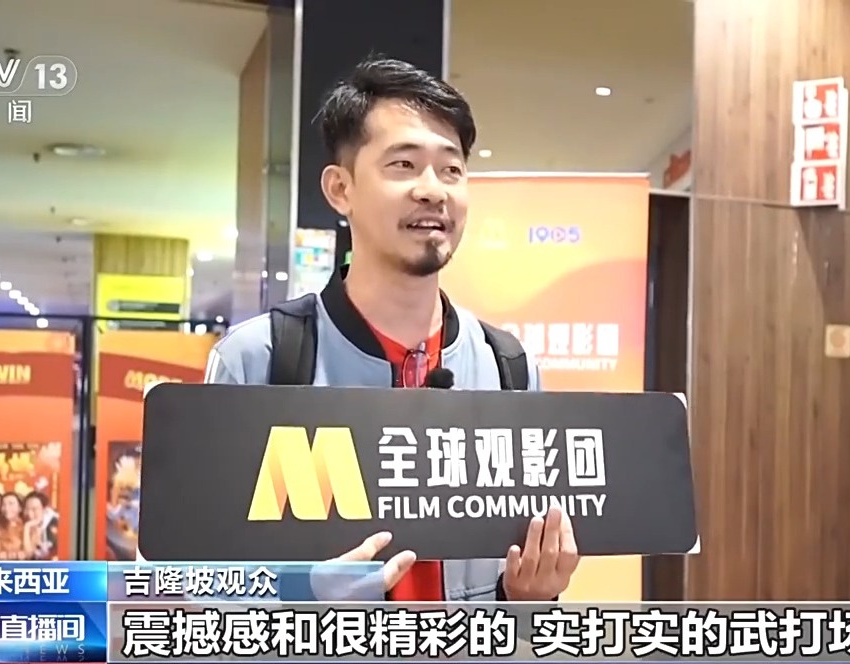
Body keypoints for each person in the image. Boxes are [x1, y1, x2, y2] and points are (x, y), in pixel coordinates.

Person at [204, 56, 580, 602]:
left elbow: (521, 604)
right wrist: (301, 599)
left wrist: (525, 601)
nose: (433, 190)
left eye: (451, 169)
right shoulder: (258, 360)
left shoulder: (510, 369)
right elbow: (195, 585)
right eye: (403, 165)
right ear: (340, 188)